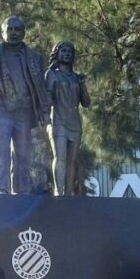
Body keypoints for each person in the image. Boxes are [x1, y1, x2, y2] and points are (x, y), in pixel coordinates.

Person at [0, 16, 50, 194]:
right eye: (9, 29)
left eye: (17, 29)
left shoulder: (35, 57)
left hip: (24, 110)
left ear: (24, 33)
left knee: (24, 155)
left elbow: (40, 86)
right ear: (2, 32)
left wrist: (44, 111)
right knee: (0, 149)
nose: (13, 33)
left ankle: (22, 190)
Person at [45, 41, 90, 196]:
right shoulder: (52, 74)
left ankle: (69, 192)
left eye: (70, 51)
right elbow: (47, 97)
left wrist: (83, 85)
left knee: (72, 160)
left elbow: (86, 102)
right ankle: (59, 191)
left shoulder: (77, 78)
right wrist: (45, 114)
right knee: (61, 157)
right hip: (58, 120)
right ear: (57, 53)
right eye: (63, 51)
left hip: (75, 122)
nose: (67, 54)